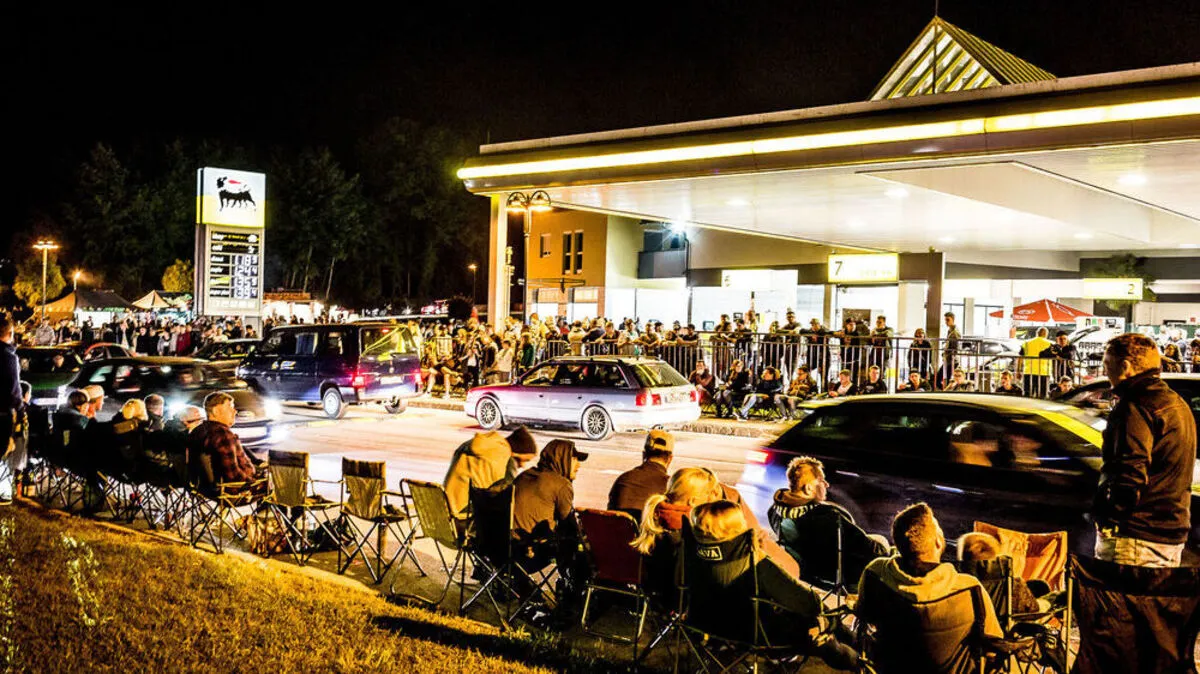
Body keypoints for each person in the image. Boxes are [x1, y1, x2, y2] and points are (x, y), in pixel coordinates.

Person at [690, 501, 861, 670]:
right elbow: (805, 600)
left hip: (708, 625)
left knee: (818, 620)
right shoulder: (754, 562)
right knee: (822, 623)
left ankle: (859, 649)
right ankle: (862, 663)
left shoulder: (690, 553)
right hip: (759, 633)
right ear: (738, 527)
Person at [1093, 333, 1195, 567]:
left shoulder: (1134, 407)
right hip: (1169, 532)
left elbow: (1130, 472)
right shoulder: (1175, 403)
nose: (1105, 373)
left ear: (1125, 367)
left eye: (1107, 366)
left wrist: (1110, 519)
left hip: (1135, 538)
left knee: (1119, 601)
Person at [856, 503, 1003, 649]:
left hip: (890, 665)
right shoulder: (970, 589)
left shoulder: (875, 573)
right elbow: (993, 644)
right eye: (938, 527)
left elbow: (863, 614)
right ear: (938, 542)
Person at [768, 457, 889, 591]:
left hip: (807, 574)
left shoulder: (774, 512)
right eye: (821, 480)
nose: (826, 484)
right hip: (838, 579)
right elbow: (869, 550)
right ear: (808, 488)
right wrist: (883, 544)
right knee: (882, 545)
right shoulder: (830, 517)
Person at [442, 425, 534, 519]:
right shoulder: (503, 455)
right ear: (515, 453)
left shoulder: (471, 444)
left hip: (444, 508)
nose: (522, 465)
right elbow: (509, 493)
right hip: (464, 516)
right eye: (521, 460)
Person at [956, 532, 1044, 616]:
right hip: (997, 630)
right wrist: (1047, 602)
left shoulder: (955, 583)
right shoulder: (1012, 585)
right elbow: (1032, 609)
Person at [189, 392, 260, 489]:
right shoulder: (222, 434)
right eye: (230, 407)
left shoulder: (198, 431)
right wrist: (253, 482)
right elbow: (232, 475)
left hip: (202, 487)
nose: (235, 411)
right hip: (233, 490)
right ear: (216, 411)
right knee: (276, 480)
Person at [607, 430, 673, 520]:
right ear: (670, 459)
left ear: (644, 454)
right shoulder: (670, 486)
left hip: (615, 532)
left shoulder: (623, 479)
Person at [0, 315, 21, 504]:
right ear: (9, 333)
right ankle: (3, 492)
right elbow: (14, 389)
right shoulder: (8, 357)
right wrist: (20, 409)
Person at [1019, 327, 1054, 398]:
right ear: (1046, 334)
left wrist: (1018, 370)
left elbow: (1020, 357)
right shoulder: (1050, 344)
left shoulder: (1026, 343)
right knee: (1042, 395)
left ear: (1036, 333)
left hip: (1028, 372)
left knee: (1027, 394)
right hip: (1043, 372)